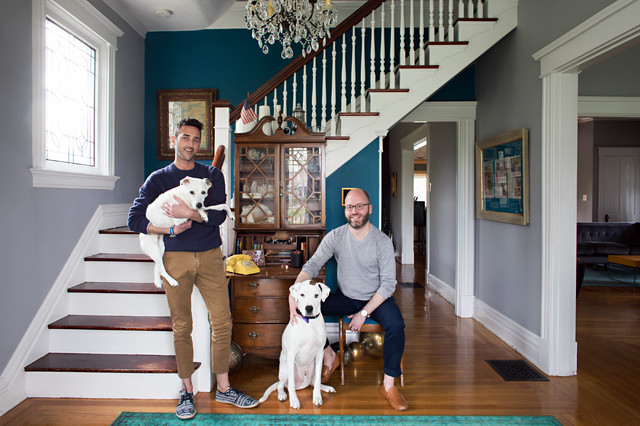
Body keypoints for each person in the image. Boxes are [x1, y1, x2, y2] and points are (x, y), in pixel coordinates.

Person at [128, 118, 258, 419]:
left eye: (196, 139)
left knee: (222, 321)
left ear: (201, 144)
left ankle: (224, 388)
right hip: (176, 259)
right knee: (182, 326)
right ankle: (186, 390)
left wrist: (189, 212)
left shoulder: (211, 175)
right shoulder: (158, 180)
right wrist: (169, 231)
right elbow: (134, 219)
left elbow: (218, 217)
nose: (190, 144)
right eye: (185, 137)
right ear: (175, 140)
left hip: (212, 256)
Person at [289, 188, 408, 411]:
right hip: (347, 297)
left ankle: (389, 385)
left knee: (396, 325)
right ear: (346, 210)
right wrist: (294, 291)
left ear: (369, 208)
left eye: (359, 206)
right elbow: (312, 265)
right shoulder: (336, 236)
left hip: (376, 299)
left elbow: (388, 285)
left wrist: (364, 314)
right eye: (350, 207)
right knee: (309, 308)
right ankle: (329, 357)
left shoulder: (382, 241)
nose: (354, 211)